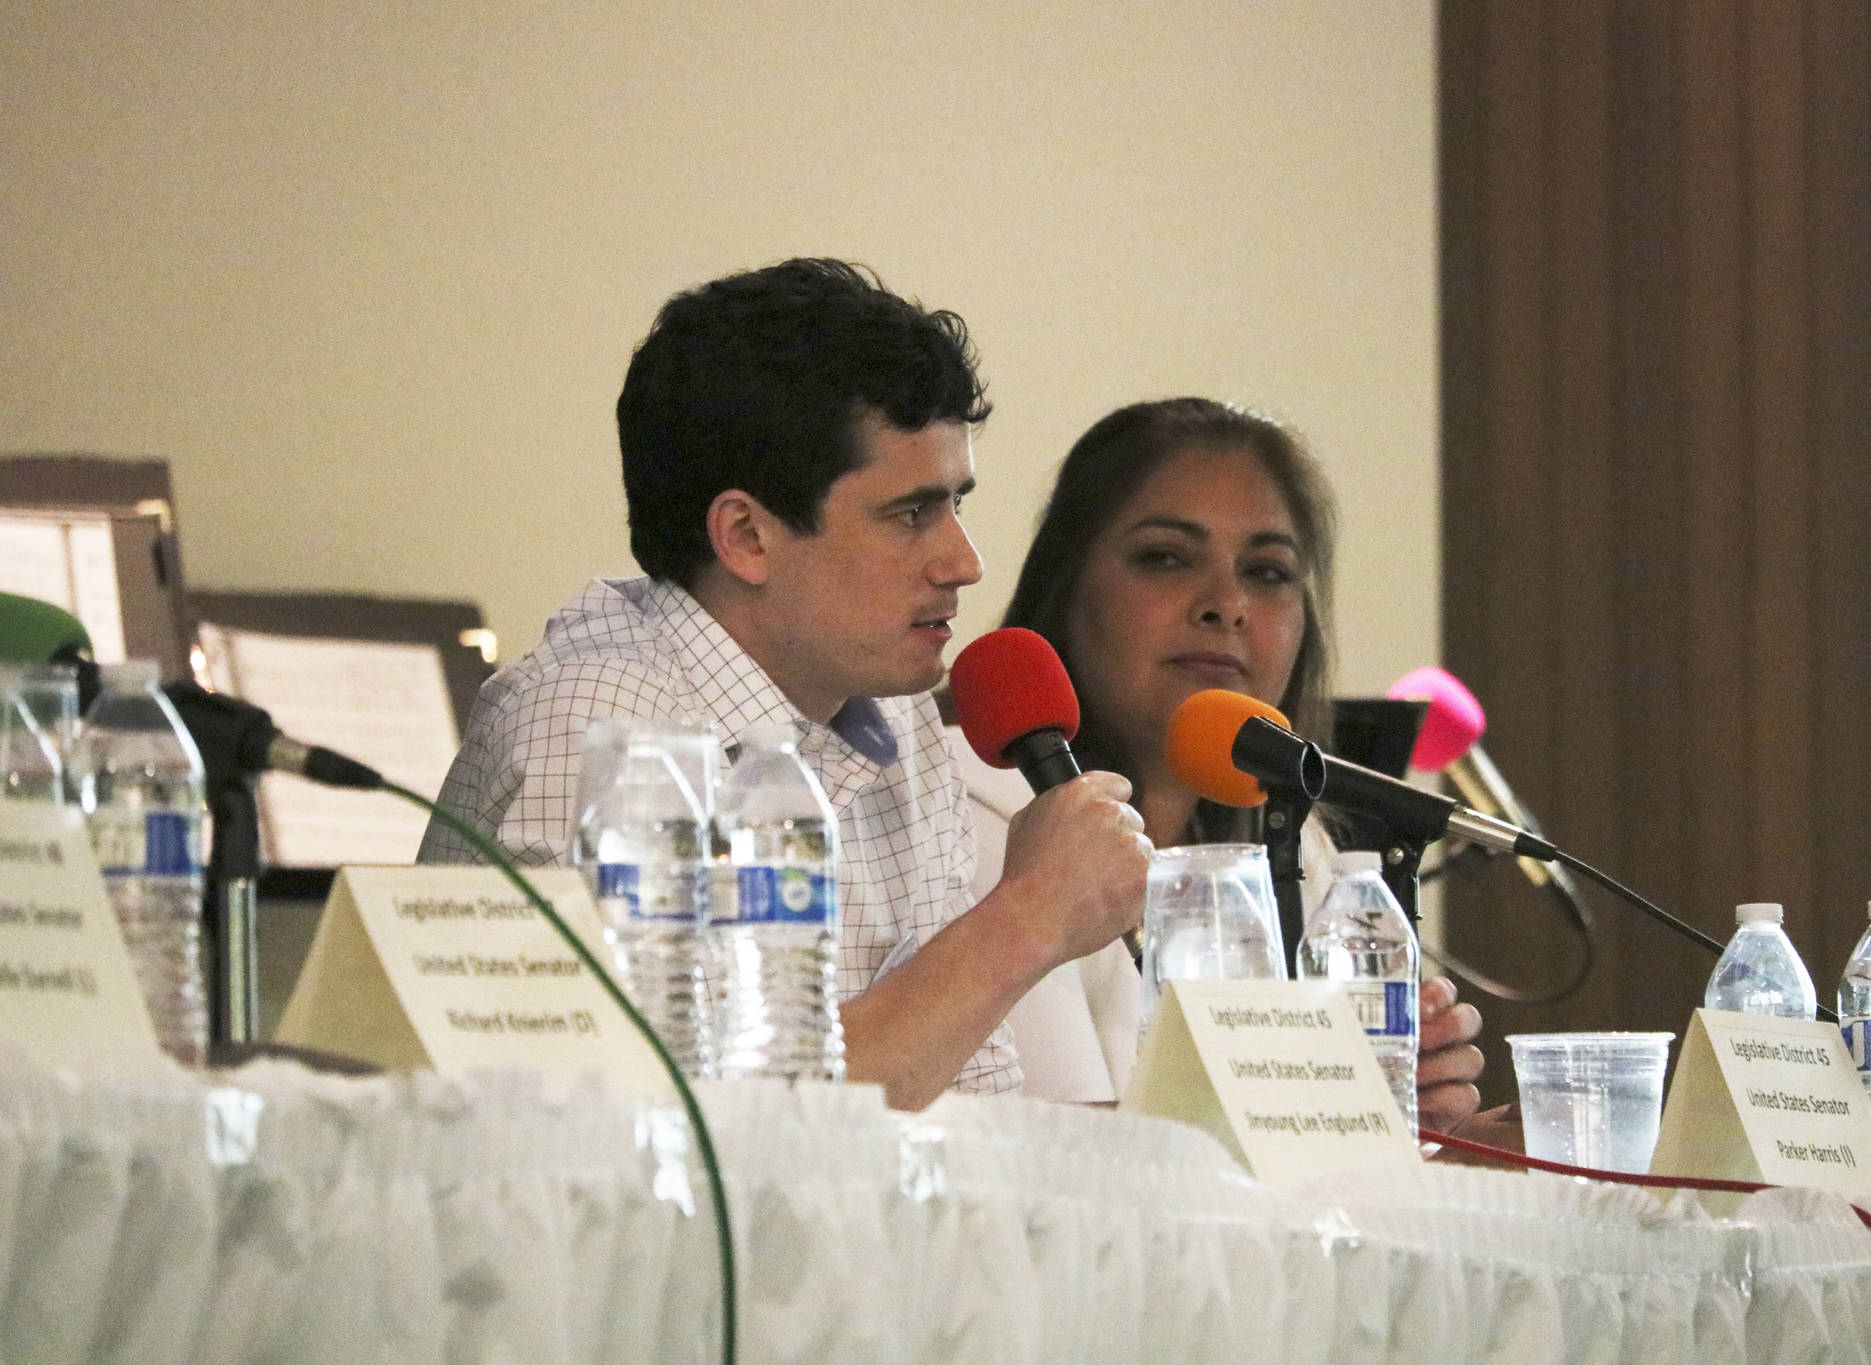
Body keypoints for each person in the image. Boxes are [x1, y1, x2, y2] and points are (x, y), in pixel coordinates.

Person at [419, 259, 1152, 1111]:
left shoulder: (893, 708)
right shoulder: (600, 731)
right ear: (747, 535)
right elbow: (693, 1135)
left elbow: (971, 1099)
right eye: (911, 513)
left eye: (958, 503)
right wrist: (1027, 917)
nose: (965, 562)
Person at [972, 397, 1487, 1129]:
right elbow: (1057, 1146)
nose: (1227, 603)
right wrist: (1336, 1107)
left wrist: (1415, 1113)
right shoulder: (988, 808)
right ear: (1066, 583)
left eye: (1269, 570)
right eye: (1166, 558)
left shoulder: (1291, 838)